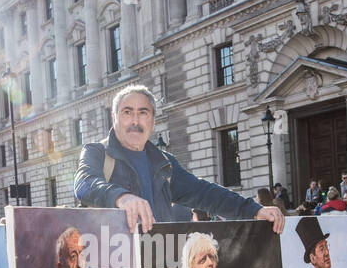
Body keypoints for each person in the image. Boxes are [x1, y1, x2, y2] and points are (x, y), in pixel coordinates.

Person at [74, 85, 285, 235]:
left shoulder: (165, 163)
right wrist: (121, 197)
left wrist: (254, 210)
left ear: (153, 121)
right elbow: (83, 184)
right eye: (127, 112)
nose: (135, 121)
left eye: (143, 113)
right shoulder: (96, 152)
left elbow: (205, 193)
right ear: (115, 118)